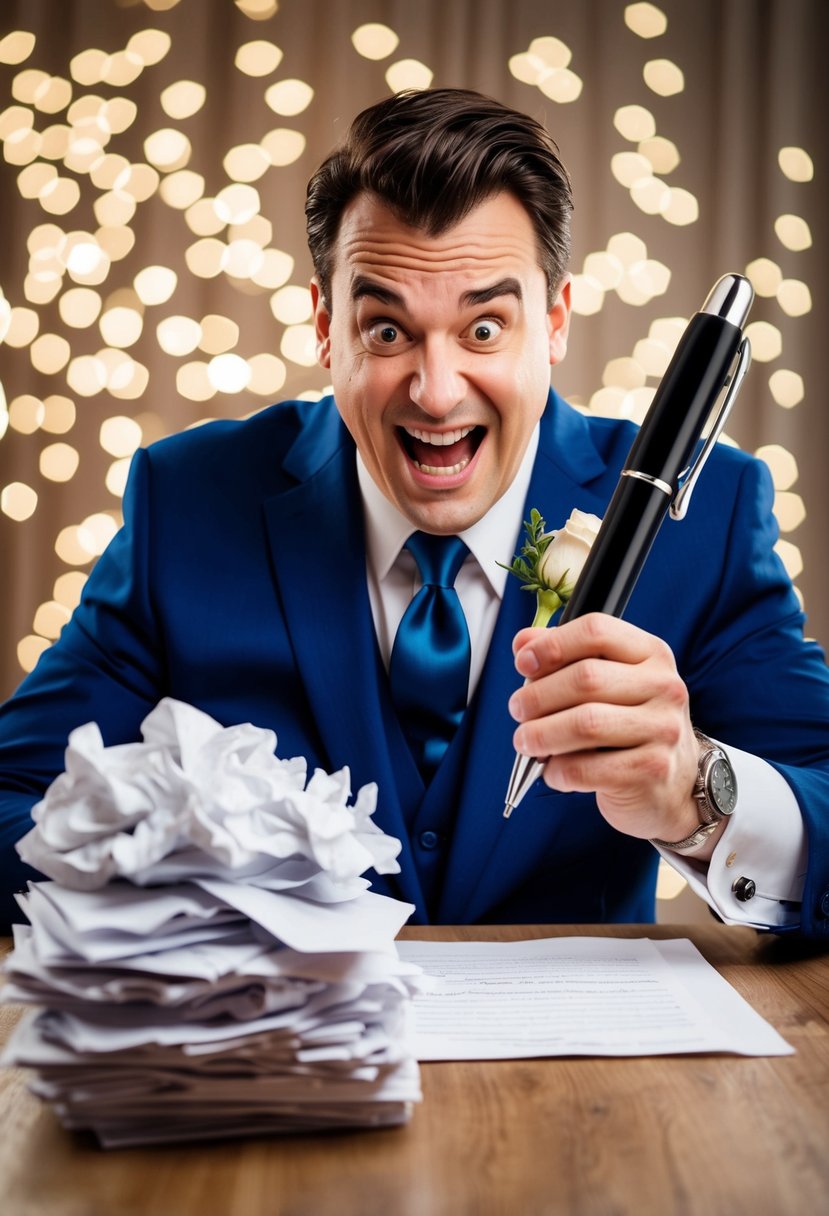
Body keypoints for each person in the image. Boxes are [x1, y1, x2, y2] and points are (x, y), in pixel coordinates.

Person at [1, 88, 828, 936]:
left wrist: (695, 793)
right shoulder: (188, 503)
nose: (436, 394)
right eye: (387, 330)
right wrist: (186, 876)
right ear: (326, 326)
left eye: (483, 329)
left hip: (577, 1064)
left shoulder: (710, 518)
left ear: (553, 322)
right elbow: (10, 805)